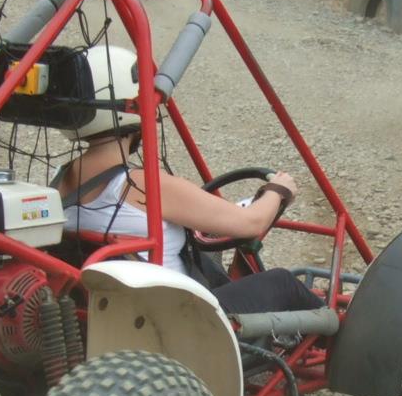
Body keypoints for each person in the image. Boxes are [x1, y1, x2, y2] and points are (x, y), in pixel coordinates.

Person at [52, 46, 324, 315]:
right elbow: (252, 223)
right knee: (281, 283)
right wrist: (278, 190)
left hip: (114, 316)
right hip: (181, 323)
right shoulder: (144, 186)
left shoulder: (62, 180)